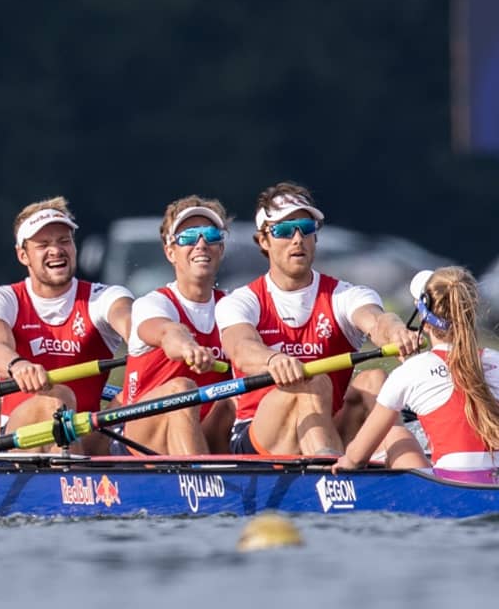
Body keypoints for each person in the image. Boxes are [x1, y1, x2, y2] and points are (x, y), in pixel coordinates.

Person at [216, 181, 418, 457]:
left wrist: (397, 332)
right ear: (264, 241)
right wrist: (273, 360)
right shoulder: (241, 301)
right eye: (285, 230)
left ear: (315, 237)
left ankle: (415, 471)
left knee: (375, 380)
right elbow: (241, 348)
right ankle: (330, 473)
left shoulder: (346, 295)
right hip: (259, 438)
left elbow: (377, 321)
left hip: (330, 424)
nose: (298, 239)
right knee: (314, 380)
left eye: (307, 229)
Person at [0, 197, 148, 454]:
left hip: (88, 433)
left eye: (64, 241)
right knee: (57, 398)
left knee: (154, 394)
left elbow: (130, 323)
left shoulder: (104, 297)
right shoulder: (3, 299)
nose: (56, 250)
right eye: (43, 244)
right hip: (22, 434)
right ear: (23, 255)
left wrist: (152, 338)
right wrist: (18, 365)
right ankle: (73, 481)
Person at [336, 267, 498, 473]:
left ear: (424, 318)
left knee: (395, 434)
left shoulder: (411, 371)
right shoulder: (496, 359)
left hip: (447, 488)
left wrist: (346, 463)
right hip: (493, 487)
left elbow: (356, 457)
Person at [122, 196, 235, 454]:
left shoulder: (235, 306)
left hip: (202, 429)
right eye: (188, 237)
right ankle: (203, 483)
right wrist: (187, 348)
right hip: (141, 435)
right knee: (182, 389)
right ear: (170, 251)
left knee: (237, 400)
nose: (201, 244)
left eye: (210, 235)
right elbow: (167, 332)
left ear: (221, 248)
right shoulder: (152, 304)